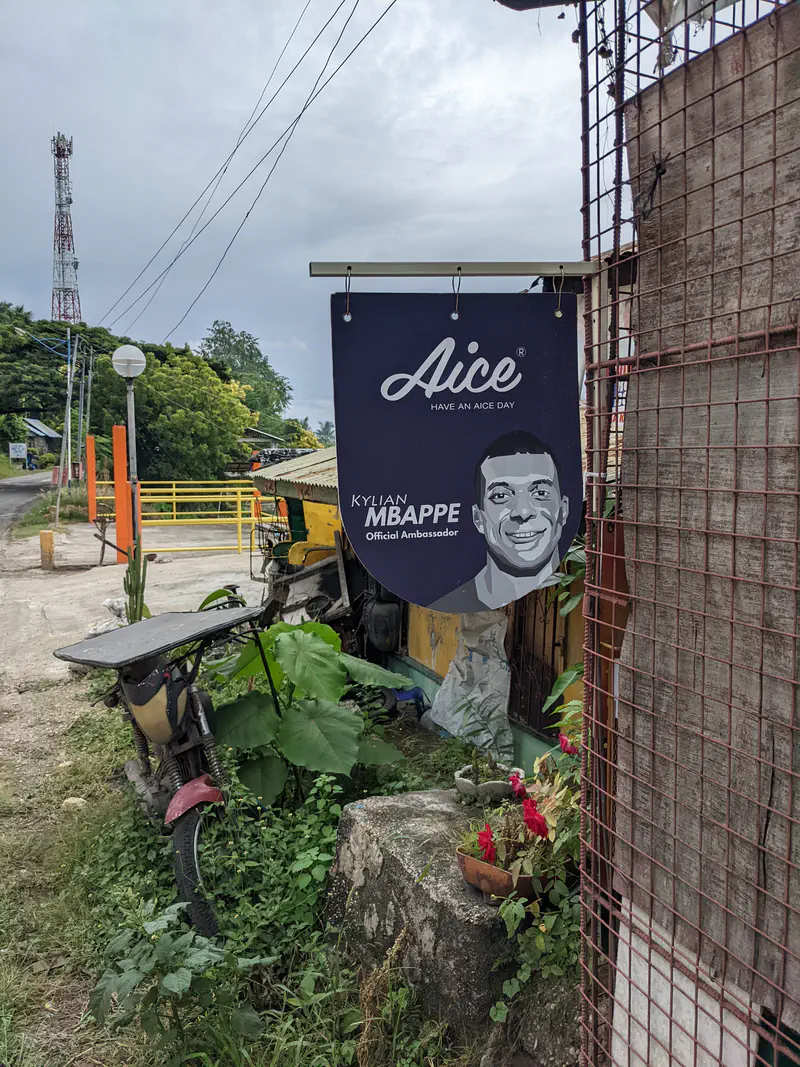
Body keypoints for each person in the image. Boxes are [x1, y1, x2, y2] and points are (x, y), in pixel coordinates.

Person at [430, 431, 570, 613]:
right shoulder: (448, 604)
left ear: (564, 510)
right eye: (501, 496)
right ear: (478, 518)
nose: (523, 512)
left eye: (540, 493)